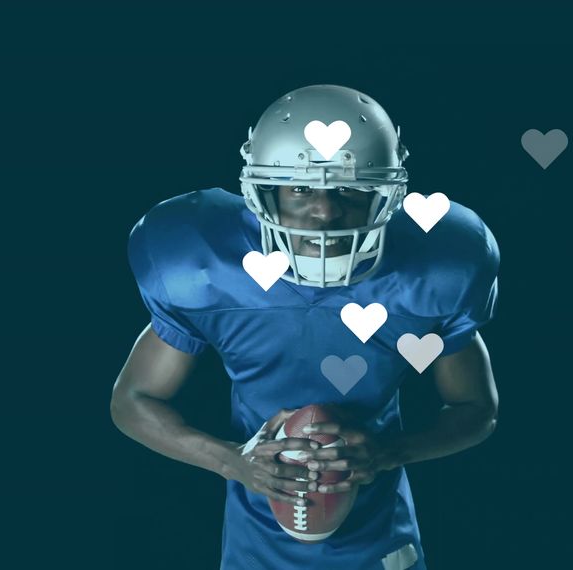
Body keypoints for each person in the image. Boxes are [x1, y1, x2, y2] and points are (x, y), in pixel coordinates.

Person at [111, 84, 500, 570]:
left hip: (381, 537)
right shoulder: (203, 267)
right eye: (299, 188)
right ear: (260, 190)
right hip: (256, 537)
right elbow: (132, 401)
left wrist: (387, 452)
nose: (325, 210)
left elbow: (477, 408)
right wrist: (234, 461)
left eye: (349, 189)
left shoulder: (436, 270)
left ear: (388, 194)